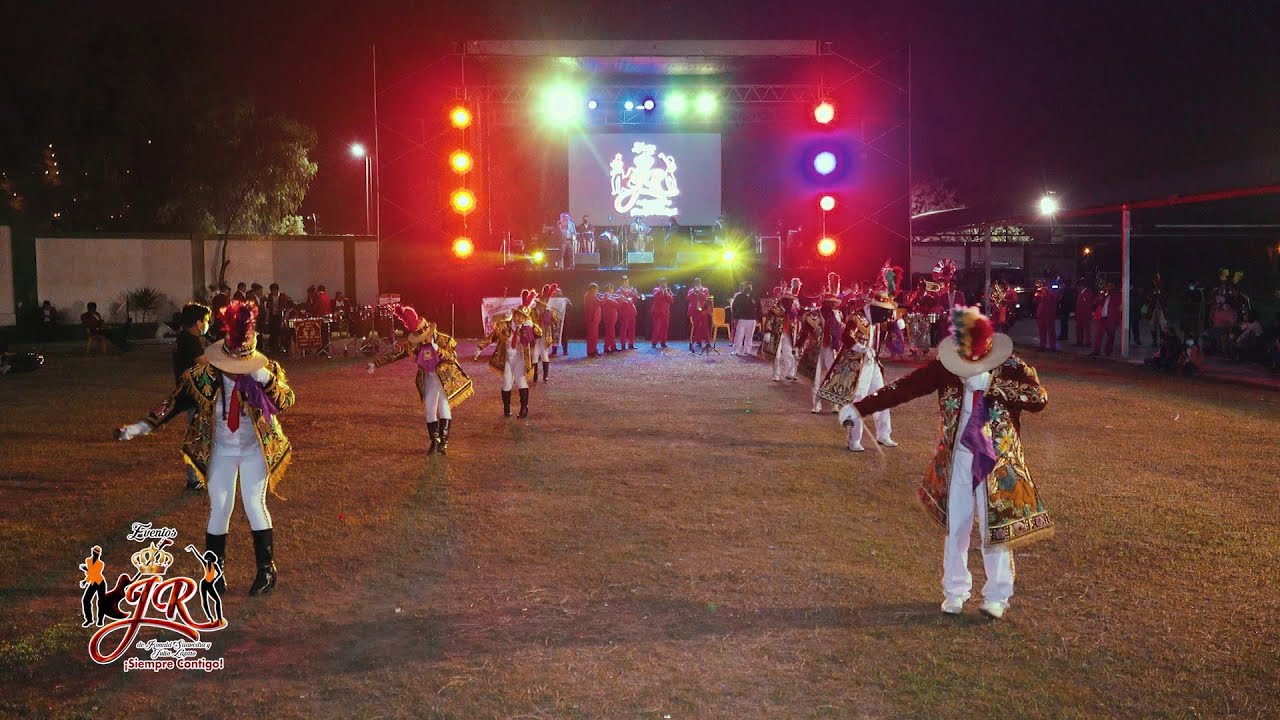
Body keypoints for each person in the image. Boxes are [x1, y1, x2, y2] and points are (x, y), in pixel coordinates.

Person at [841, 307, 1052, 620]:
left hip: (998, 461)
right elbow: (905, 388)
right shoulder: (946, 366)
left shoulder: (1010, 366)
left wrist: (994, 388)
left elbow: (1039, 398)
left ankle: (997, 595)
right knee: (957, 527)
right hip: (957, 459)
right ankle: (955, 591)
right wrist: (860, 408)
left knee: (995, 528)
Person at [115, 300, 295, 597]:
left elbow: (286, 401)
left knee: (253, 504)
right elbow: (170, 405)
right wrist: (137, 428)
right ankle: (214, 573)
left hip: (255, 450)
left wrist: (263, 378)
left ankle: (266, 570)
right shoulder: (203, 377)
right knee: (220, 508)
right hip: (221, 449)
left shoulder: (267, 371)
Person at [369, 306, 473, 454]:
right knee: (429, 408)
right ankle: (434, 441)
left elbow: (452, 358)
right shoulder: (416, 344)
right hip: (428, 378)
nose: (423, 340)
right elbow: (396, 354)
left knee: (444, 406)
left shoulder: (444, 340)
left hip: (444, 379)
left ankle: (443, 442)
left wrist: (438, 350)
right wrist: (376, 364)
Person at [823, 290, 897, 451]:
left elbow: (885, 331)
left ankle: (884, 434)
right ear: (875, 309)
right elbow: (846, 337)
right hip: (857, 365)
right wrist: (860, 348)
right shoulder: (856, 318)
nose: (885, 318)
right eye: (884, 313)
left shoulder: (877, 320)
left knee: (883, 397)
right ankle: (854, 440)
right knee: (858, 400)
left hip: (873, 364)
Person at [475, 291, 542, 418]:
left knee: (522, 382)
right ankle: (506, 408)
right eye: (518, 315)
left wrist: (532, 326)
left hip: (520, 360)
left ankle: (524, 409)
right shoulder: (503, 325)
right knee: (506, 384)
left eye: (523, 317)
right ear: (514, 314)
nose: (519, 319)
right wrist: (480, 347)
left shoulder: (526, 328)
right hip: (506, 359)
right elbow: (491, 337)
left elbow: (539, 334)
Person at [174, 303, 211, 490]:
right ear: (197, 323)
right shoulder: (189, 340)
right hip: (193, 396)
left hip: (192, 395)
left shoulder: (185, 337)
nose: (206, 324)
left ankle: (199, 476)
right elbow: (203, 362)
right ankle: (194, 479)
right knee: (197, 437)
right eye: (205, 321)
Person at [801, 274, 844, 413]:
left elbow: (842, 333)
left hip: (833, 349)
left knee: (834, 376)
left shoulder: (836, 316)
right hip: (817, 350)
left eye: (832, 304)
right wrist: (798, 346)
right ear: (823, 303)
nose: (830, 306)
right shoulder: (814, 315)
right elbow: (805, 332)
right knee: (817, 378)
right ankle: (816, 404)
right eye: (828, 303)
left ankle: (835, 404)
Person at [764, 279, 802, 382]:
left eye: (791, 299)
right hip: (777, 334)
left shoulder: (793, 309)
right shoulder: (775, 308)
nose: (789, 301)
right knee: (776, 355)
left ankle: (790, 373)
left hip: (788, 334)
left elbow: (796, 320)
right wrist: (767, 331)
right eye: (787, 299)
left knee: (789, 354)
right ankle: (776, 374)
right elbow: (769, 320)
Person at [532, 284, 561, 380]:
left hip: (544, 335)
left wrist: (550, 315)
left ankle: (545, 375)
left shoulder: (548, 312)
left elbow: (557, 320)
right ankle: (536, 375)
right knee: (535, 354)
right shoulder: (533, 311)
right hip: (536, 337)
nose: (542, 306)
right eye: (541, 304)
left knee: (543, 353)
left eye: (544, 305)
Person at [1090, 282, 1122, 357]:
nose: (1109, 288)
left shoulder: (1117, 295)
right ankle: (1096, 351)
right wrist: (1102, 296)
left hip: (1110, 318)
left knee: (1110, 335)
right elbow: (1095, 302)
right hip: (1101, 317)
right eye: (1108, 286)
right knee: (1098, 335)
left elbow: (1119, 305)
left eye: (1111, 286)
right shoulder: (1103, 294)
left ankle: (1108, 351)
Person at [730, 282, 758, 356]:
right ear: (744, 288)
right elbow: (734, 307)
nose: (748, 289)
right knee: (739, 336)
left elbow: (759, 308)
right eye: (747, 287)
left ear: (751, 288)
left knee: (749, 336)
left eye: (750, 287)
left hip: (752, 320)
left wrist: (757, 318)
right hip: (742, 319)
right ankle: (736, 350)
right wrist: (736, 317)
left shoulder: (755, 296)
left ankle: (747, 350)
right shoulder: (739, 297)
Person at [262, 283, 291, 353]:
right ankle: (273, 348)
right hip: (273, 317)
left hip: (280, 316)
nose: (272, 292)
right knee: (272, 332)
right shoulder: (270, 296)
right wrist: (267, 320)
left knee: (281, 332)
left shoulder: (283, 296)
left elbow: (287, 308)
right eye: (271, 291)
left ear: (277, 290)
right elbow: (268, 308)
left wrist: (284, 319)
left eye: (273, 291)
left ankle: (282, 347)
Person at [687, 278, 712, 352]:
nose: (697, 285)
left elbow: (706, 297)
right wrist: (694, 292)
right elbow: (688, 298)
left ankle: (707, 342)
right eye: (696, 283)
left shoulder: (705, 290)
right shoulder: (691, 290)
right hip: (694, 311)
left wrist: (700, 292)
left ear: (700, 283)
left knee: (705, 326)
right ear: (694, 284)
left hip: (703, 311)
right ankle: (698, 341)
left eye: (698, 283)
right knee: (696, 327)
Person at [1034, 279, 1058, 351]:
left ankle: (1052, 346)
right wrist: (1038, 294)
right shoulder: (1039, 292)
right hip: (1041, 313)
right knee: (1042, 330)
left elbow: (1054, 300)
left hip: (1049, 313)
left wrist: (1045, 292)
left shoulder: (1051, 292)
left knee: (1051, 330)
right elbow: (1035, 301)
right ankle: (1042, 345)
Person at [617, 277, 641, 350]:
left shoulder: (631, 290)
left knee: (632, 329)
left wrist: (636, 294)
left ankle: (631, 343)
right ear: (622, 283)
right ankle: (623, 344)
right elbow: (619, 301)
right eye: (625, 282)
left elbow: (635, 300)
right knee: (623, 329)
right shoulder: (619, 291)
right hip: (624, 312)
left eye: (627, 282)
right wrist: (625, 299)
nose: (627, 283)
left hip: (631, 312)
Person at [650, 279, 674, 348]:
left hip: (665, 312)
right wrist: (662, 291)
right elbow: (656, 297)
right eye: (662, 283)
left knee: (665, 328)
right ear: (660, 284)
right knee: (657, 328)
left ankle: (663, 342)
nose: (664, 285)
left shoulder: (668, 290)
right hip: (657, 312)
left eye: (665, 283)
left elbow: (671, 300)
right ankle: (654, 343)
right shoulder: (656, 289)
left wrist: (666, 293)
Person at [1073, 279, 1094, 347]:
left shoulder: (1087, 292)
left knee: (1086, 328)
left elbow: (1089, 304)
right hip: (1080, 314)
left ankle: (1087, 342)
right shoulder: (1081, 293)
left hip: (1085, 314)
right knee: (1079, 328)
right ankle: (1079, 341)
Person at [583, 283, 602, 357]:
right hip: (592, 319)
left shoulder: (590, 296)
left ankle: (593, 349)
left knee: (594, 336)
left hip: (594, 319)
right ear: (593, 289)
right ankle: (591, 351)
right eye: (596, 289)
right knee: (592, 336)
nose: (597, 291)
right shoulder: (590, 296)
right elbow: (600, 303)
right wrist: (606, 298)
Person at [601, 284, 620, 353]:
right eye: (610, 289)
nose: (612, 290)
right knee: (610, 333)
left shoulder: (610, 297)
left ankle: (608, 346)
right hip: (609, 317)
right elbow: (617, 305)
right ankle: (611, 346)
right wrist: (617, 300)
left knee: (610, 333)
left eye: (612, 289)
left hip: (612, 317)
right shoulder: (606, 297)